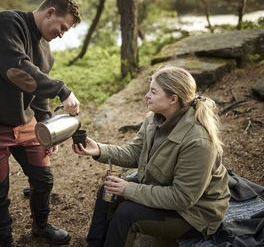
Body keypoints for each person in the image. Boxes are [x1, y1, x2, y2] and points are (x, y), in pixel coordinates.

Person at [0, 0, 81, 247]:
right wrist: (62, 90)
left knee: (43, 178)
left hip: (26, 124)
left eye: (66, 31)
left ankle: (41, 226)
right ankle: (5, 241)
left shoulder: (46, 51)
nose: (61, 34)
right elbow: (17, 70)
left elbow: (38, 97)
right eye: (62, 27)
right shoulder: (7, 23)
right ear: (50, 11)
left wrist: (48, 128)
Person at [72, 66, 231, 247]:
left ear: (173, 99)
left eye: (153, 92)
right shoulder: (153, 118)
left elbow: (183, 198)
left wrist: (129, 189)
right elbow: (135, 153)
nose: (147, 95)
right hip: (161, 187)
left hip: (194, 214)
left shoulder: (198, 141)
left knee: (127, 213)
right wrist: (100, 150)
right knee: (107, 191)